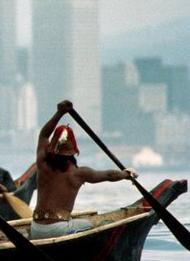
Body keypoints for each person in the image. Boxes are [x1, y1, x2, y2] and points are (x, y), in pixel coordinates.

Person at [31, 100, 137, 239]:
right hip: (58, 229)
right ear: (73, 151)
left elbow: (43, 135)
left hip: (36, 228)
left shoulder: (42, 163)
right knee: (89, 224)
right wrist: (126, 174)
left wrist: (59, 113)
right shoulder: (78, 174)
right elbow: (110, 175)